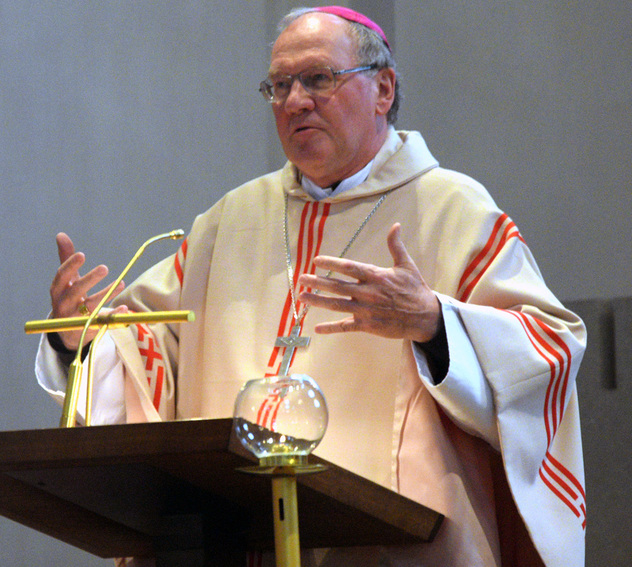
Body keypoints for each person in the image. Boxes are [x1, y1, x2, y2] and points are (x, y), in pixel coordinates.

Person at [36, 6, 585, 567]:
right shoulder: (231, 221)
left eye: (319, 79)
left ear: (383, 89)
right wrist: (80, 341)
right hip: (237, 535)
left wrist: (435, 323)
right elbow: (145, 345)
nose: (295, 100)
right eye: (279, 86)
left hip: (393, 543)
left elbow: (551, 345)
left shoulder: (453, 211)